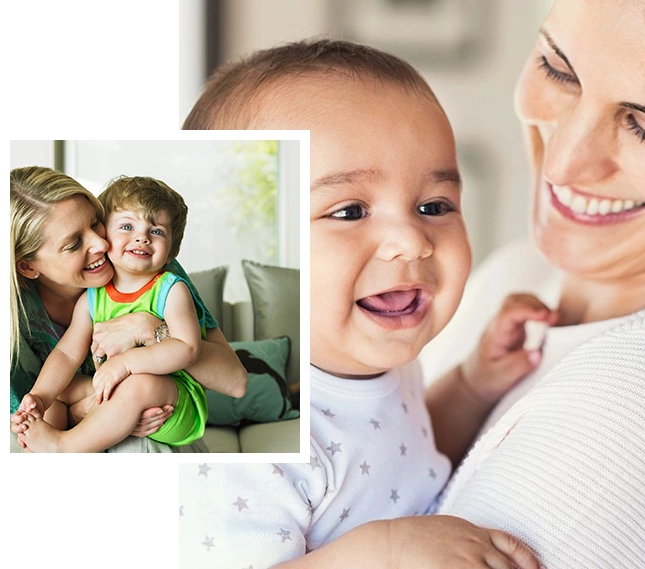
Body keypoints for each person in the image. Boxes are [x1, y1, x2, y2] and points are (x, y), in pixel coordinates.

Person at [178, 40, 542, 569]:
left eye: (434, 205)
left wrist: (472, 384)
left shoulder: (386, 362)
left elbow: (398, 452)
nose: (413, 241)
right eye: (349, 212)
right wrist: (387, 553)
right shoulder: (244, 444)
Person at [419, 0, 645, 567]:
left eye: (643, 123)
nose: (563, 164)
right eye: (558, 69)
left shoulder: (625, 407)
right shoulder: (513, 275)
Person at [10, 166, 247, 453]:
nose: (100, 243)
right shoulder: (86, 301)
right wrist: (41, 399)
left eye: (96, 222)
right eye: (74, 244)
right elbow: (66, 353)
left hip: (163, 400)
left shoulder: (156, 272)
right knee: (55, 398)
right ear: (27, 266)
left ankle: (63, 446)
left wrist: (149, 329)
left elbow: (234, 381)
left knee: (136, 391)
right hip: (100, 400)